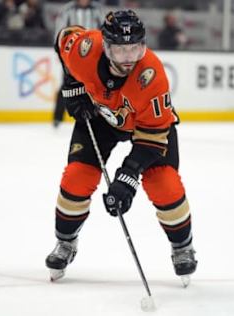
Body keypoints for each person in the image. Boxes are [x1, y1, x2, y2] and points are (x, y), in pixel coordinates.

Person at [45, 10, 198, 282]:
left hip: (148, 129)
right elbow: (63, 38)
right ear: (105, 47)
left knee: (163, 182)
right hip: (100, 118)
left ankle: (183, 246)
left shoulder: (152, 75)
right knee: (77, 177)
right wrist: (72, 84)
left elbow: (152, 138)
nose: (129, 58)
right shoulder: (85, 49)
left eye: (135, 49)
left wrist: (127, 176)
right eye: (120, 50)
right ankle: (66, 242)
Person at [53, 0, 104, 127]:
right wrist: (61, 53)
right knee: (67, 84)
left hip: (93, 54)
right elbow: (60, 33)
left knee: (94, 85)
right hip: (71, 55)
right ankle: (57, 117)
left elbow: (104, 31)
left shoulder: (97, 10)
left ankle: (95, 116)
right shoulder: (67, 10)